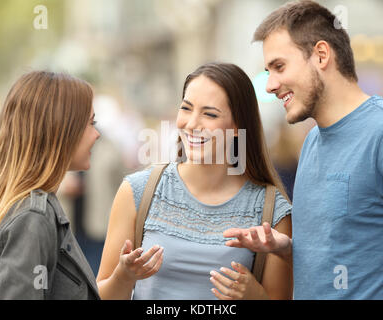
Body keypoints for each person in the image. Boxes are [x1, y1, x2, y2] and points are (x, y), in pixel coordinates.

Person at [224, 0, 383, 300]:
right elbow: (342, 252)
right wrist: (287, 248)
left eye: (279, 67)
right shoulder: (312, 141)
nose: (270, 85)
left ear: (321, 55)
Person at [96, 62, 293, 300]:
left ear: (238, 127)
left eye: (209, 114)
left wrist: (256, 296)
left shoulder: (271, 210)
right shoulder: (137, 191)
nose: (191, 124)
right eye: (186, 109)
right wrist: (123, 276)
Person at [0, 71, 101, 299]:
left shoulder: (25, 205)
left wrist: (123, 274)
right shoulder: (33, 216)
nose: (97, 134)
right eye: (90, 123)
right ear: (61, 129)